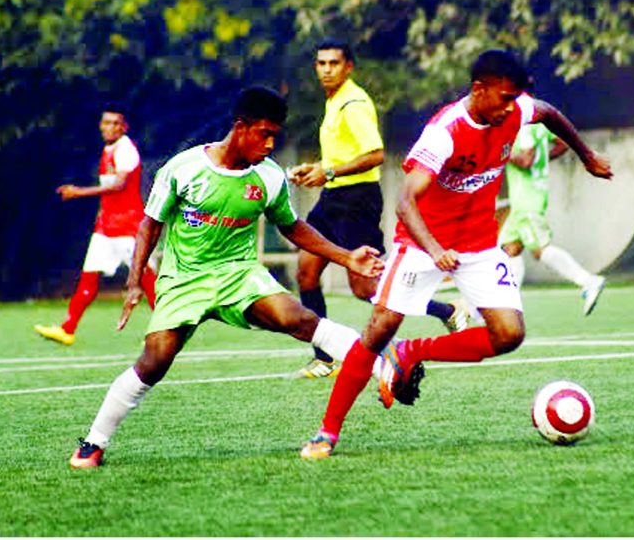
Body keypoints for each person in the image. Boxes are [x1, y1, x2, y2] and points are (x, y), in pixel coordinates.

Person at [300, 50, 613, 459]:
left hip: (479, 244)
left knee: (508, 334)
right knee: (378, 329)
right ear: (479, 89)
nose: (510, 108)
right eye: (503, 97)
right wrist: (434, 250)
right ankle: (327, 433)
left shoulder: (514, 108)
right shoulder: (445, 132)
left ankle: (412, 351)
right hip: (422, 243)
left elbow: (548, 112)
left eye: (514, 98)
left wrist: (586, 156)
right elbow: (405, 201)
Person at [68, 86, 393, 468]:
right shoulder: (184, 168)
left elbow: (292, 226)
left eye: (276, 135)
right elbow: (149, 225)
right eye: (264, 133)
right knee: (156, 359)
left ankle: (383, 366)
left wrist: (346, 257)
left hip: (238, 274)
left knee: (298, 319)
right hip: (184, 278)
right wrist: (135, 280)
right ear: (240, 127)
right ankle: (94, 441)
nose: (271, 144)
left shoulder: (269, 177)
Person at [287, 39, 469, 379]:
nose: (326, 69)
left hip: (357, 200)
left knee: (365, 288)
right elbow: (344, 155)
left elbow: (374, 155)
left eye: (333, 63)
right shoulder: (334, 101)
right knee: (306, 273)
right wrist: (317, 168)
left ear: (348, 67)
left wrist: (327, 172)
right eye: (321, 63)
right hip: (332, 199)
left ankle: (447, 308)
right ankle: (324, 358)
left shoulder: (354, 103)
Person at [35, 106, 157, 346]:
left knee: (146, 280)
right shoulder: (108, 149)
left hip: (128, 226)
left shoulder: (125, 150)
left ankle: (165, 330)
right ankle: (67, 329)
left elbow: (120, 185)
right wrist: (101, 215)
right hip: (106, 227)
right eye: (105, 123)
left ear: (124, 127)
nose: (109, 127)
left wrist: (79, 192)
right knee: (88, 276)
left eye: (115, 123)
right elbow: (110, 193)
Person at [500, 121, 606, 315]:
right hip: (527, 198)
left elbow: (525, 160)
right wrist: (545, 159)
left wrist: (501, 153)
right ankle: (507, 304)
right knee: (510, 249)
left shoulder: (523, 125)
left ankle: (588, 281)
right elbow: (563, 142)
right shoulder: (539, 124)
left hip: (526, 199)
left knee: (540, 250)